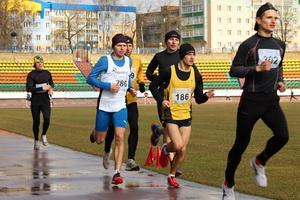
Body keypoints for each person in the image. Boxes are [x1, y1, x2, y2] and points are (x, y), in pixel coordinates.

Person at [222, 3, 289, 200]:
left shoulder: (280, 45)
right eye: (269, 17)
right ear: (259, 20)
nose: (273, 21)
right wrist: (256, 69)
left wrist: (280, 81)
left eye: (275, 18)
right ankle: (228, 184)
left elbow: (279, 67)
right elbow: (234, 70)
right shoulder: (249, 44)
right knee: (241, 144)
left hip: (271, 101)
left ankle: (260, 162)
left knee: (283, 136)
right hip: (250, 101)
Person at [149, 43, 214, 187]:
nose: (192, 57)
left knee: (182, 148)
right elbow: (152, 86)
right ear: (182, 56)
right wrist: (161, 101)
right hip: (171, 114)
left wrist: (206, 96)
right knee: (178, 146)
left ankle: (171, 175)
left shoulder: (196, 74)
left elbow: (198, 98)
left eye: (193, 55)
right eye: (189, 54)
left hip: (186, 115)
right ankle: (165, 150)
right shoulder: (168, 71)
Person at [87, 33, 137, 185]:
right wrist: (107, 86)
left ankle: (117, 172)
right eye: (119, 46)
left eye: (125, 46)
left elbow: (126, 78)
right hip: (104, 105)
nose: (122, 49)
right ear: (113, 47)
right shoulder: (105, 60)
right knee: (100, 140)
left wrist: (130, 89)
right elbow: (90, 78)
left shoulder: (128, 60)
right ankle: (95, 132)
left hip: (120, 105)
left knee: (120, 136)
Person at [102, 36, 145, 171]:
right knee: (112, 129)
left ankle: (131, 159)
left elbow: (139, 73)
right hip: (115, 99)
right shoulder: (114, 60)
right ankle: (107, 151)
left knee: (135, 126)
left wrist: (141, 82)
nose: (127, 48)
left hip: (130, 100)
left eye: (130, 46)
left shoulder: (136, 60)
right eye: (124, 46)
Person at [146, 30, 182, 175]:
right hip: (163, 96)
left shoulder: (182, 56)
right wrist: (153, 79)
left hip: (179, 96)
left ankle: (156, 131)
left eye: (176, 39)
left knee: (177, 130)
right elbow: (149, 71)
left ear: (179, 42)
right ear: (166, 41)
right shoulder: (159, 56)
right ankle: (174, 166)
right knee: (170, 129)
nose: (173, 42)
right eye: (171, 39)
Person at [26, 55, 54, 150]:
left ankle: (44, 135)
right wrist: (42, 88)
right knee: (36, 122)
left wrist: (51, 89)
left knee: (47, 119)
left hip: (45, 100)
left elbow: (51, 83)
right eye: (38, 63)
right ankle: (36, 140)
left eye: (41, 62)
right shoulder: (31, 74)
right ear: (34, 64)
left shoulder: (47, 73)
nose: (40, 64)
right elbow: (29, 88)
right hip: (35, 101)